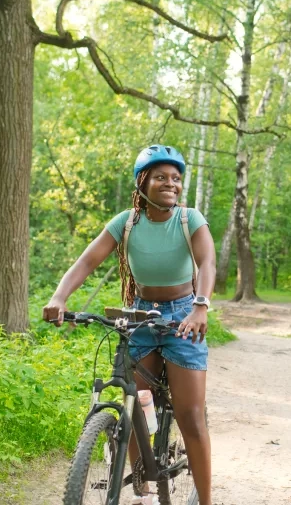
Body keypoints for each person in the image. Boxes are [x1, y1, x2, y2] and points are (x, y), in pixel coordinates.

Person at [43, 144, 216, 505]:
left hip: (185, 314)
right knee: (136, 403)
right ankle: (144, 493)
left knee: (190, 416)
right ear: (143, 182)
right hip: (140, 313)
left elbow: (208, 262)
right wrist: (60, 297)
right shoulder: (127, 222)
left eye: (176, 178)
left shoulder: (190, 219)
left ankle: (206, 502)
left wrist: (200, 306)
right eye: (161, 177)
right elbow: (87, 261)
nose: (171, 183)